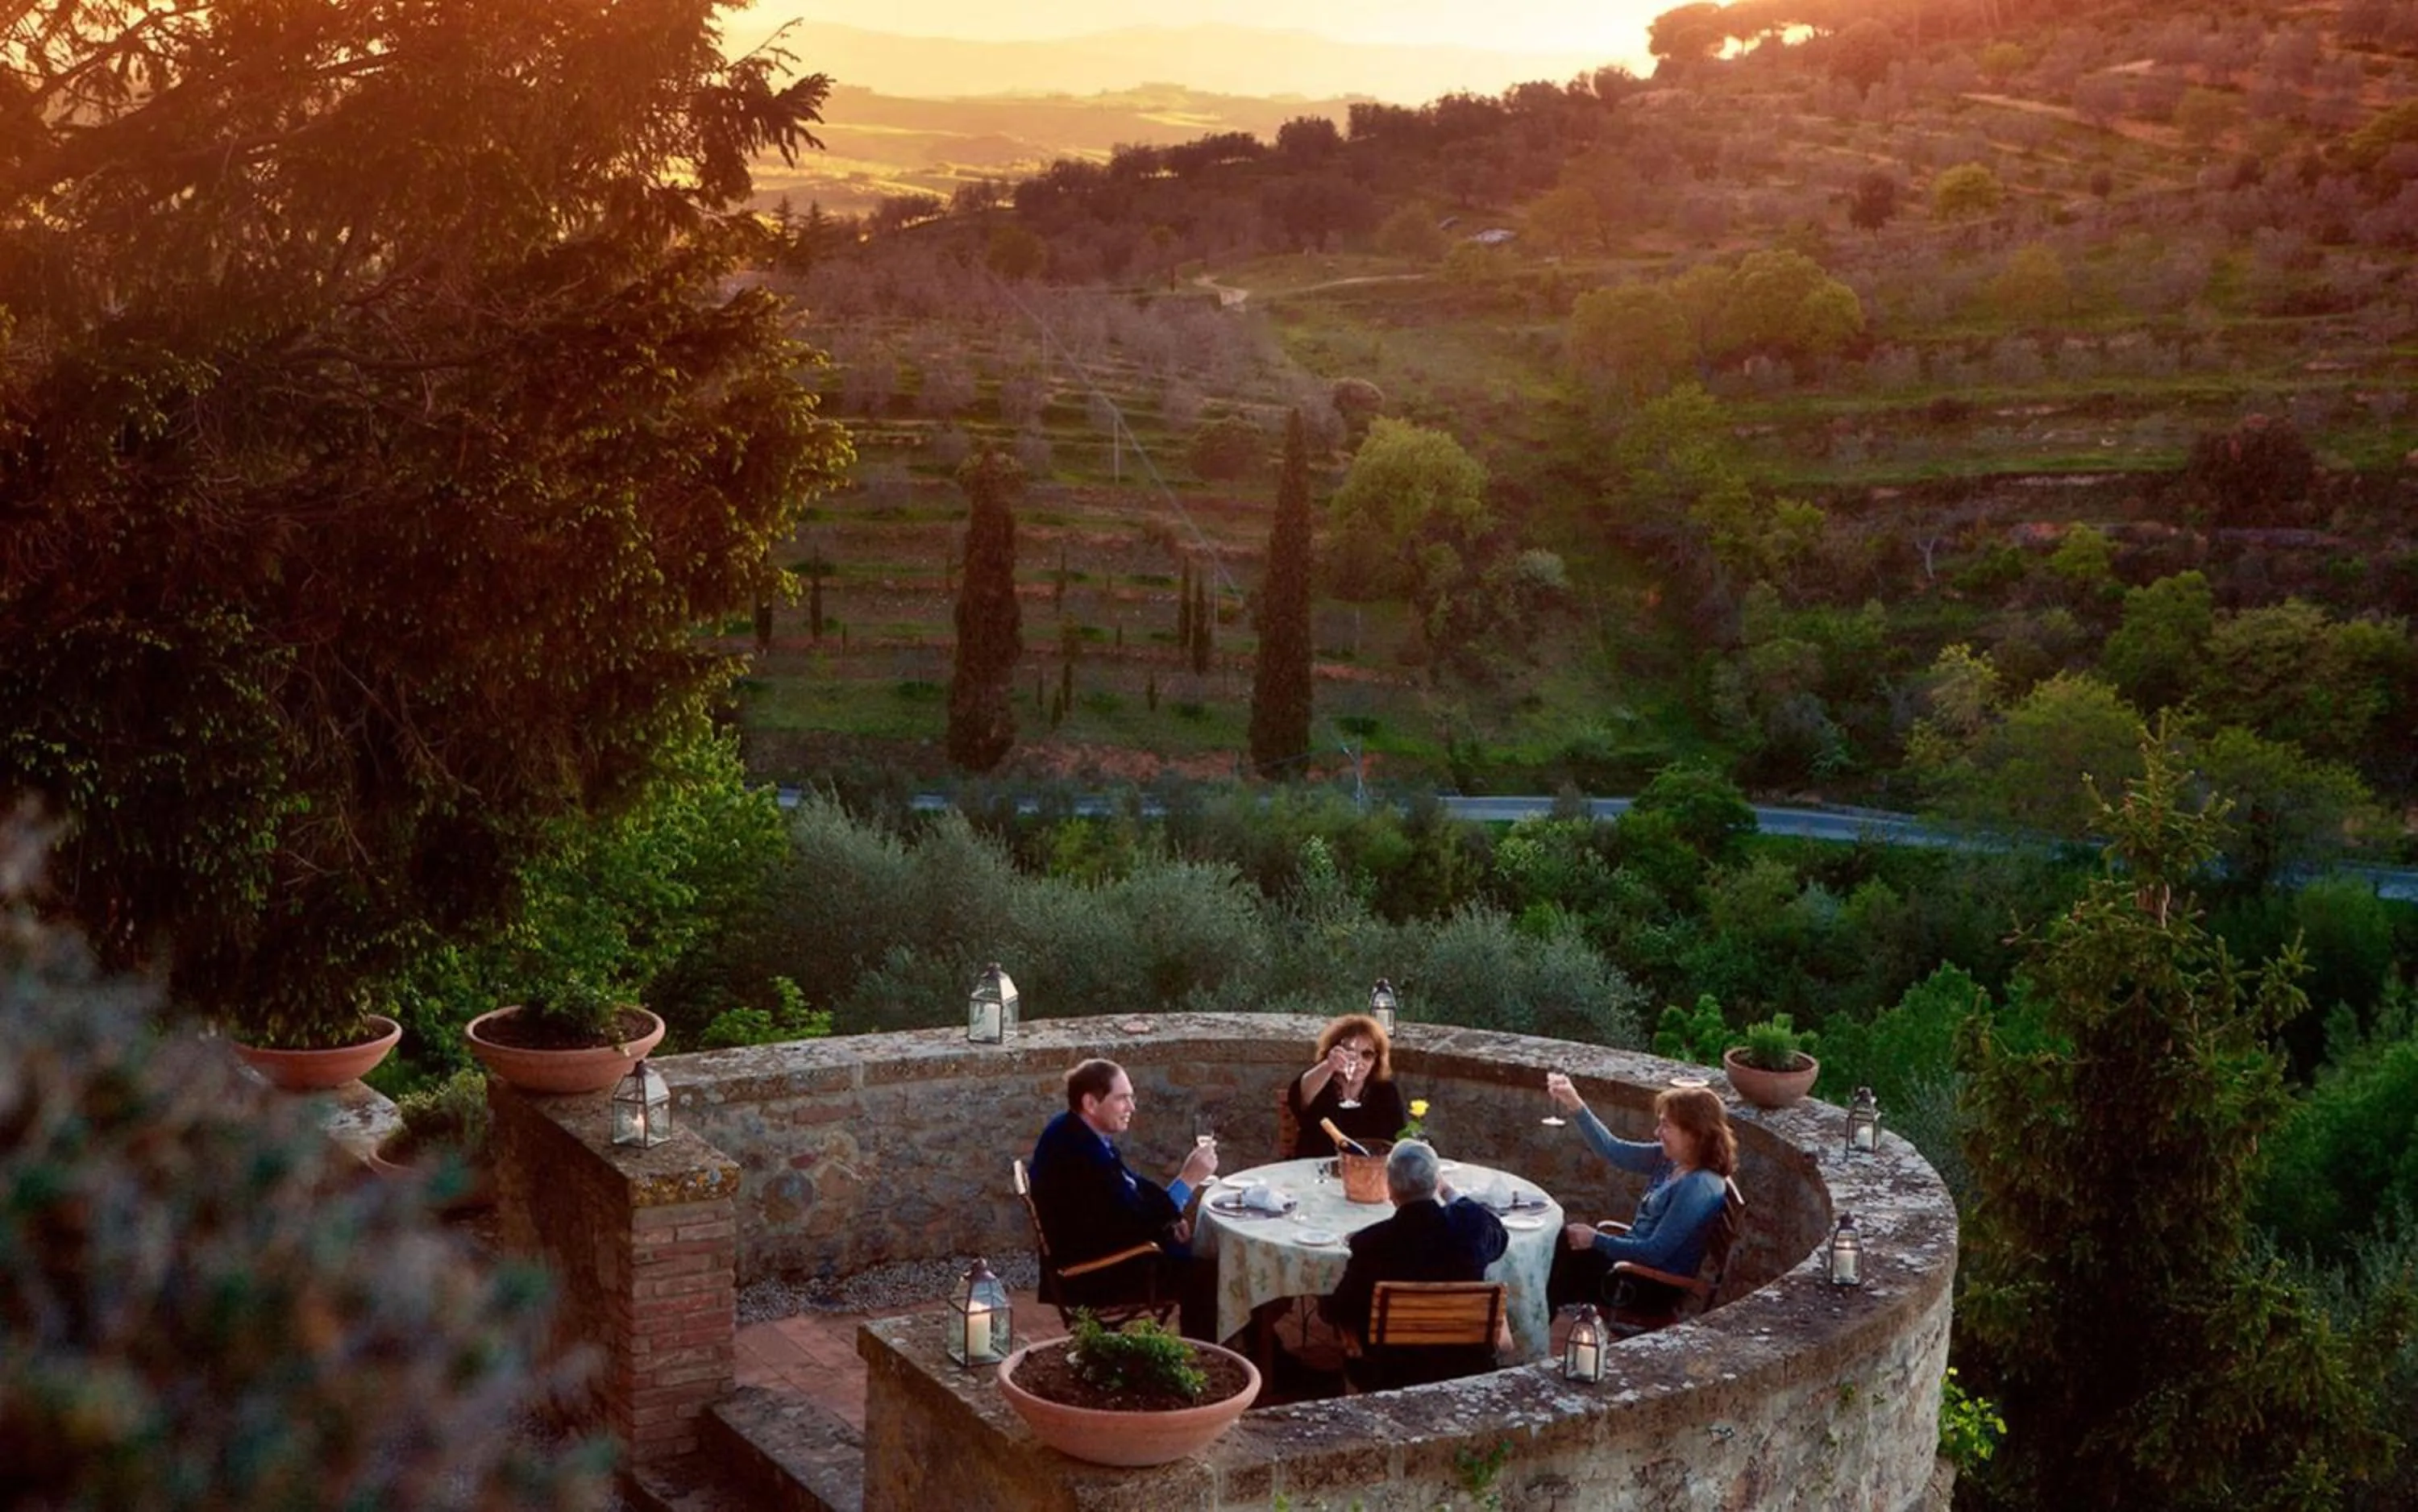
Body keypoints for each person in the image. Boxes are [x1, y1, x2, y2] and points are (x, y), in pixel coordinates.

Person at [1028, 1057, 1219, 1335]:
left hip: (1102, 1250)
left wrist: (1171, 1213)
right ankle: (1215, 1356)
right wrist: (1187, 1181)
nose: (1132, 1107)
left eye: (1131, 1097)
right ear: (1091, 1104)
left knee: (1207, 1262)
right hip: (1097, 1273)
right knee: (1211, 1275)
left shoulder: (1074, 1131)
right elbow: (1135, 1223)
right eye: (1122, 1099)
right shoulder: (1081, 1155)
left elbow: (1130, 1183)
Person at [1319, 1139, 1509, 1389]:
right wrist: (1449, 1192)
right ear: (1435, 1183)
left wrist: (1323, 1299)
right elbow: (1499, 1236)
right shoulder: (1471, 1228)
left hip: (1390, 1373)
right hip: (1466, 1365)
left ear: (1390, 1189)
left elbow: (1337, 1311)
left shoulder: (1372, 1243)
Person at [1542, 1075, 1735, 1319]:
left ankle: (1533, 1340)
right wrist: (1574, 1103)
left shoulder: (1699, 1186)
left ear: (1694, 1133)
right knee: (1555, 1245)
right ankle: (1531, 1334)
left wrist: (1595, 1240)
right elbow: (1613, 1150)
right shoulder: (1672, 1160)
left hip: (1645, 1285)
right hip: (1631, 1266)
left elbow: (1655, 1252)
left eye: (1666, 1125)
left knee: (1557, 1266)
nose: (1657, 1132)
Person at [1288, 1012, 1407, 1158]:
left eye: (1367, 1054)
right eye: (1349, 1053)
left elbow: (1395, 1140)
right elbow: (1299, 1095)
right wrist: (1329, 1065)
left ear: (1377, 1059)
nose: (1358, 1061)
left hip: (1368, 1170)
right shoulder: (1321, 1083)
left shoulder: (1384, 1091)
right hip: (1317, 1170)